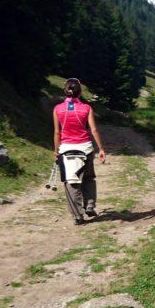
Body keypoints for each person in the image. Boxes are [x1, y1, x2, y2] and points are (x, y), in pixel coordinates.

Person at [53, 78, 106, 224]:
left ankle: (77, 215)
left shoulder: (57, 109)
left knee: (71, 181)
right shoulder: (87, 108)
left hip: (66, 150)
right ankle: (89, 204)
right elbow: (94, 129)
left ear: (65, 91)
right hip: (85, 148)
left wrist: (56, 150)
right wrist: (101, 148)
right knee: (88, 177)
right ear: (80, 92)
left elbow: (57, 132)